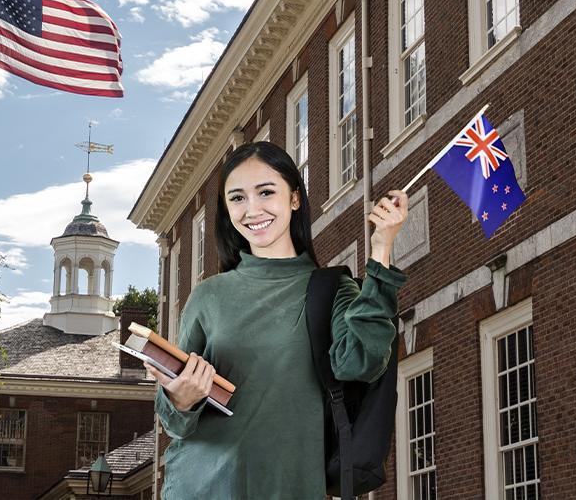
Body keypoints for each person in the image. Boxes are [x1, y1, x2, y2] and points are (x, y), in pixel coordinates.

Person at [145, 141, 408, 499]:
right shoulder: (208, 296)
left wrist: (381, 252)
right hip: (197, 487)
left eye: (266, 192)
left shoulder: (331, 289)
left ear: (294, 199)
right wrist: (180, 399)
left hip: (290, 487)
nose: (252, 209)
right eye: (237, 198)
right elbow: (174, 423)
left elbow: (361, 362)